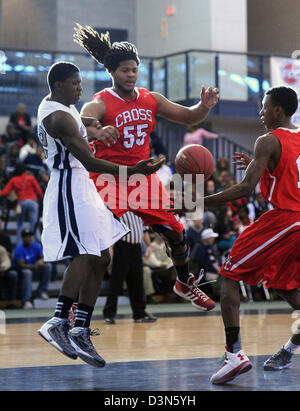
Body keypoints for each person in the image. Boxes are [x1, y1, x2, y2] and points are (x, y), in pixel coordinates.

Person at [74, 24, 219, 311]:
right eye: (125, 70)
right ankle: (72, 309)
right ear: (112, 72)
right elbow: (81, 121)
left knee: (176, 233)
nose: (130, 75)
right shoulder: (101, 101)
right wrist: (97, 130)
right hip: (108, 177)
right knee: (97, 248)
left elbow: (189, 115)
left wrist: (204, 107)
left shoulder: (150, 98)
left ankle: (183, 283)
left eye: (134, 69)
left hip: (142, 179)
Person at [36, 61, 164, 367]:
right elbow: (91, 162)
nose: (80, 87)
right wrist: (133, 170)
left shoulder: (62, 109)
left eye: (80, 82)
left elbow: (82, 143)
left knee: (103, 257)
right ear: (58, 85)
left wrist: (95, 134)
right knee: (84, 253)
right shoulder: (57, 117)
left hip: (82, 185)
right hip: (69, 185)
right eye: (75, 83)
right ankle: (57, 322)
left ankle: (80, 328)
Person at [201, 86, 300, 384]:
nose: (261, 113)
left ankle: (234, 354)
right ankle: (289, 349)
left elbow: (245, 189)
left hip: (285, 219)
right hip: (296, 222)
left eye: (265, 107)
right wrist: (265, 167)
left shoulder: (268, 140)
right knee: (285, 287)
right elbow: (289, 173)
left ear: (278, 111)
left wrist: (196, 202)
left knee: (229, 276)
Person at [103, 211, 157, 324]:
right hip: (122, 246)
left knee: (137, 281)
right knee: (116, 282)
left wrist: (149, 246)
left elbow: (144, 230)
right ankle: (109, 313)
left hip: (136, 248)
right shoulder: (120, 207)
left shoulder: (140, 209)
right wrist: (109, 246)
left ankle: (139, 314)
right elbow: (109, 227)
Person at [0, 163, 44, 243]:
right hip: (32, 202)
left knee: (19, 224)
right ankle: (38, 243)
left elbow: (4, 193)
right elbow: (39, 191)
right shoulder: (31, 178)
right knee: (33, 225)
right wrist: (41, 200)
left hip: (22, 203)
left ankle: (19, 243)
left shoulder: (14, 179)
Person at [11, 228, 51, 308]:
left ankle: (42, 291)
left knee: (48, 266)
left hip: (34, 270)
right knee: (27, 272)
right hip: (21, 274)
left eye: (29, 236)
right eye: (26, 236)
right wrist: (34, 266)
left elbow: (43, 258)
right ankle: (26, 300)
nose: (28, 238)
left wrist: (40, 261)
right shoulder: (19, 248)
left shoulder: (36, 246)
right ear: (22, 238)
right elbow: (21, 265)